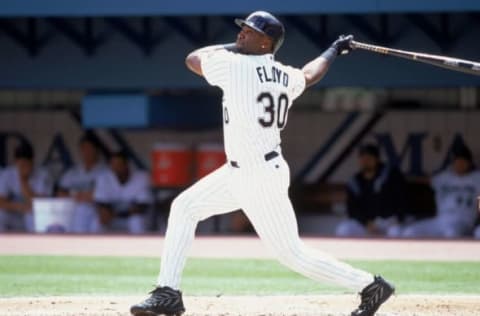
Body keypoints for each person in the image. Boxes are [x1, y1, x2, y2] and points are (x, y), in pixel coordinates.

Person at [131, 11, 394, 316]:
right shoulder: (283, 74)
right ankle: (168, 292)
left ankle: (370, 286)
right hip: (241, 171)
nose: (241, 33)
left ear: (266, 42)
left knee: (292, 255)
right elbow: (309, 75)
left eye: (249, 31)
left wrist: (234, 47)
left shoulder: (235, 65)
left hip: (258, 174)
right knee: (184, 207)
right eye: (241, 29)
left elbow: (193, 58)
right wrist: (333, 50)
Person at [394, 144, 480, 238]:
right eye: (457, 161)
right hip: (441, 220)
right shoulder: (444, 177)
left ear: (469, 162)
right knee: (410, 232)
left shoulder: (477, 177)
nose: (460, 164)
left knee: (452, 233)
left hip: (464, 221)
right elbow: (424, 180)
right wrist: (399, 179)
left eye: (463, 161)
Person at [336, 144, 407, 237]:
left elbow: (402, 200)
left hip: (388, 221)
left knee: (396, 231)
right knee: (344, 229)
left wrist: (397, 218)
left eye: (369, 157)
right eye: (362, 158)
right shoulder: (355, 181)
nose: (365, 161)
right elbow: (352, 209)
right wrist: (366, 222)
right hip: (366, 223)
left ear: (377, 159)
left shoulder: (391, 175)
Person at [57, 134, 108, 233]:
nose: (86, 152)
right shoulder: (73, 171)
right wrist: (80, 196)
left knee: (84, 209)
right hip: (72, 212)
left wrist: (75, 195)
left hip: (96, 212)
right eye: (84, 148)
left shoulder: (105, 172)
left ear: (97, 150)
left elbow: (99, 195)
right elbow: (60, 194)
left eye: (90, 148)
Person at [93, 151, 152, 234]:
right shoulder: (104, 178)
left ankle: (138, 246)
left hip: (134, 219)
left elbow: (141, 207)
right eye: (113, 165)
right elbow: (101, 203)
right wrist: (104, 212)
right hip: (113, 219)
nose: (116, 168)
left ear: (126, 165)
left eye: (119, 164)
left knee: (136, 220)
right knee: (97, 222)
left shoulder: (141, 178)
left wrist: (115, 214)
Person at [0, 144, 53, 232]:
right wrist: (19, 207)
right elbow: (1, 201)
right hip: (15, 215)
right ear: (15, 162)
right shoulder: (7, 173)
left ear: (32, 162)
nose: (23, 167)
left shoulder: (43, 175)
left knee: (31, 215)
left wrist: (23, 180)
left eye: (26, 164)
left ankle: (35, 244)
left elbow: (40, 205)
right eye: (20, 164)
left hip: (34, 217)